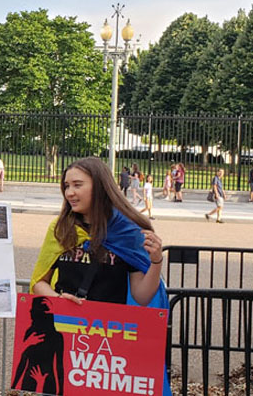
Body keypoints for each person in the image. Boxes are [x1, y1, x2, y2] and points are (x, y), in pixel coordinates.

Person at [29, 156, 170, 395]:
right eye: (66, 186)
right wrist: (58, 299)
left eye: (77, 185)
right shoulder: (59, 229)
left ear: (100, 185)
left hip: (109, 346)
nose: (69, 193)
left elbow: (142, 296)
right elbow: (38, 283)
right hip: (64, 337)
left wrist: (156, 261)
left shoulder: (130, 232)